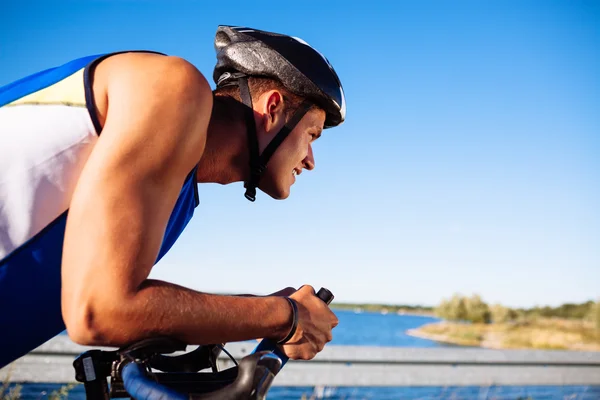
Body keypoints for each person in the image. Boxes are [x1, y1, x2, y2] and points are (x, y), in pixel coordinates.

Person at [0, 25, 345, 369]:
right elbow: (101, 311)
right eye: (311, 134)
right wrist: (285, 316)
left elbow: (118, 303)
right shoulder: (172, 87)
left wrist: (260, 310)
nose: (311, 161)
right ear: (272, 109)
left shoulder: (180, 200)